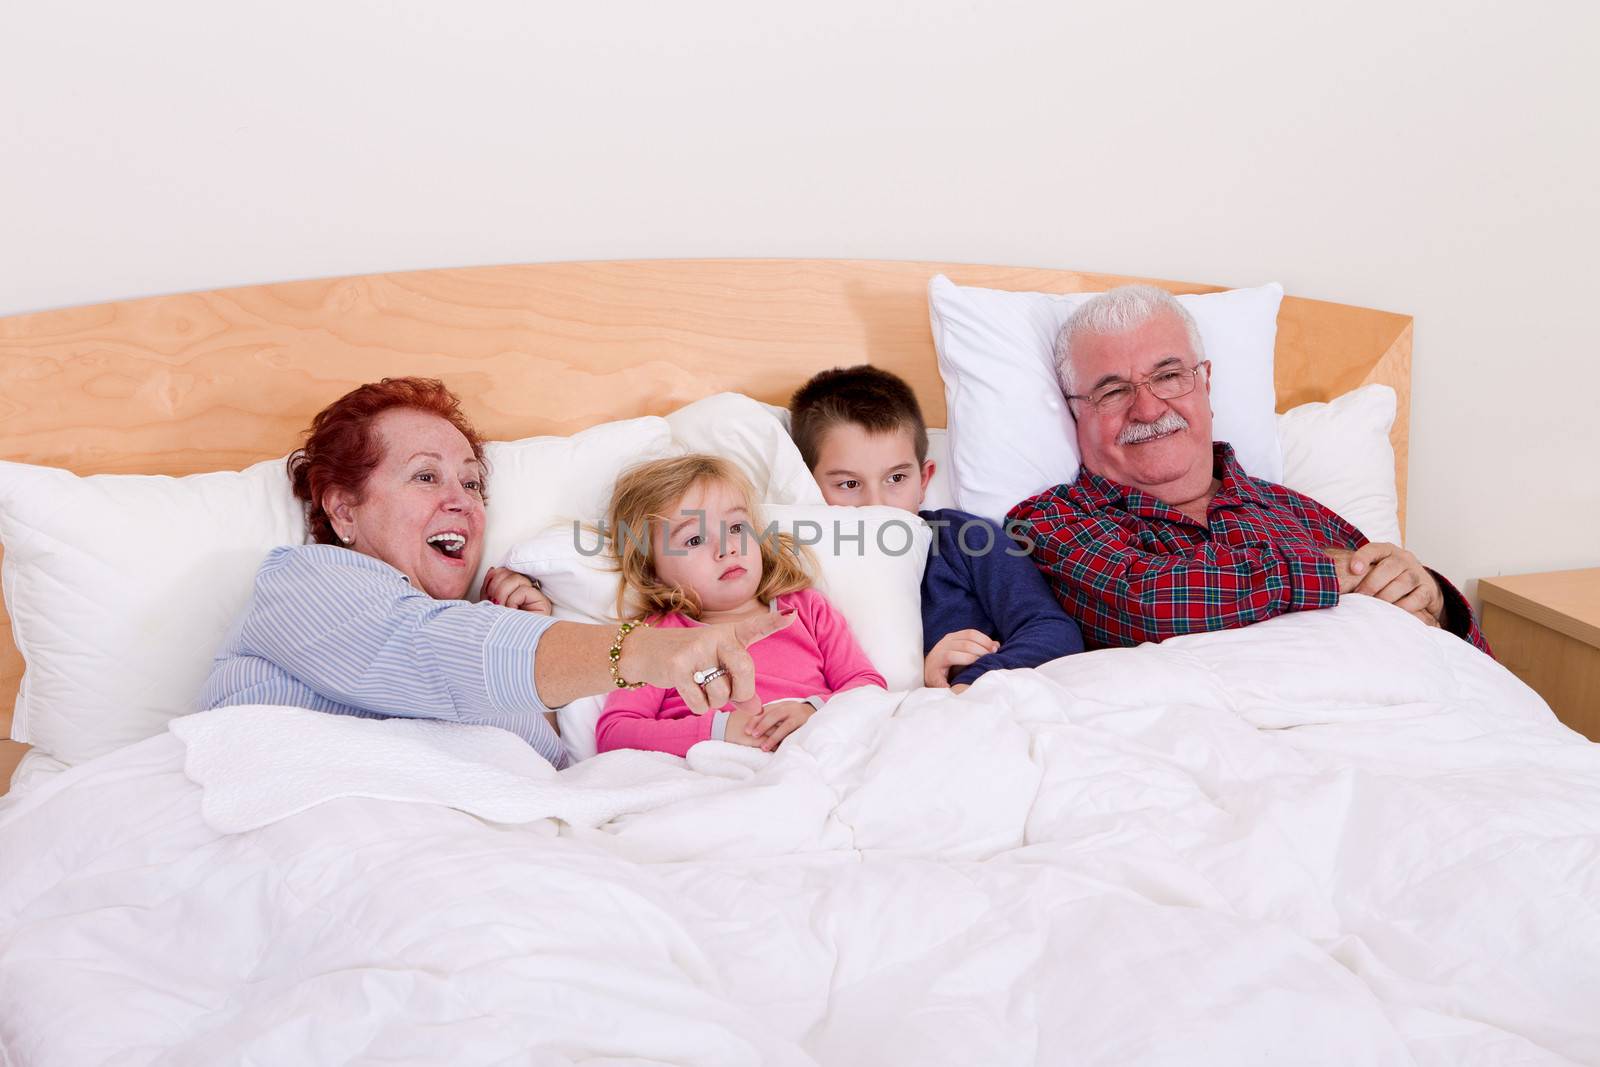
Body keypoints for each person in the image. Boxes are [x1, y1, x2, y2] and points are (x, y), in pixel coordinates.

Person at [200, 378, 789, 769]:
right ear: (342, 507)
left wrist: (540, 696)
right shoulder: (303, 584)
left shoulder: (483, 626)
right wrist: (640, 652)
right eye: (426, 476)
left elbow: (551, 780)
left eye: (473, 483)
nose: (462, 501)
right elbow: (421, 649)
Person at [1006, 286, 1492, 653]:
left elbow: (1463, 664)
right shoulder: (1050, 522)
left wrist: (1432, 597)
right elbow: (1145, 605)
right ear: (1076, 412)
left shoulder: (1296, 509)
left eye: (1170, 376)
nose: (1149, 409)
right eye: (1113, 391)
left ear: (1206, 383)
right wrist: (1317, 572)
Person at [790, 365, 1084, 693]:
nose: (877, 504)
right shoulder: (800, 566)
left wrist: (968, 681)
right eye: (848, 483)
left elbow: (1054, 630)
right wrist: (924, 672)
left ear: (924, 479)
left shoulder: (967, 539)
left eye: (896, 478)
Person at [595, 454, 885, 756]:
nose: (728, 548)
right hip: (718, 767)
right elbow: (615, 733)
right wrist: (719, 731)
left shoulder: (805, 608)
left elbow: (866, 685)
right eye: (694, 540)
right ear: (652, 573)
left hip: (819, 747)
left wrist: (814, 711)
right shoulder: (658, 638)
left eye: (736, 527)